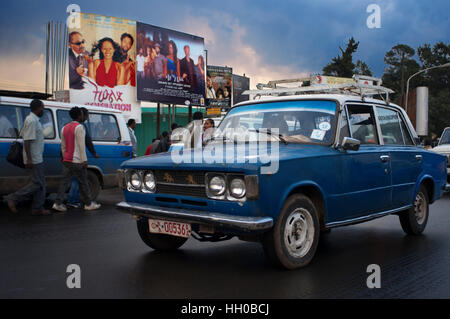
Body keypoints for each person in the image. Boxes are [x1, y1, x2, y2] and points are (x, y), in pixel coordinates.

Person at [5, 100, 51, 216]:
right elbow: (27, 141)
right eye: (42, 108)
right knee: (37, 183)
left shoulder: (34, 120)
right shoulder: (31, 121)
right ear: (38, 108)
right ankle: (13, 198)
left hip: (36, 157)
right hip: (34, 158)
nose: (43, 110)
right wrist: (29, 159)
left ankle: (37, 208)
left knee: (41, 183)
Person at [52, 107, 101, 212]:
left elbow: (63, 146)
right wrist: (84, 160)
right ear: (79, 116)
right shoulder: (79, 128)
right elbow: (81, 145)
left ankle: (57, 203)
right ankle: (88, 204)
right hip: (77, 160)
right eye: (82, 114)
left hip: (67, 160)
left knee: (64, 183)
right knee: (84, 183)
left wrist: (64, 157)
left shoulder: (64, 127)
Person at [66, 108, 99, 208]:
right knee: (81, 180)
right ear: (81, 115)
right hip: (78, 159)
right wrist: (92, 154)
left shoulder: (67, 126)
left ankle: (70, 200)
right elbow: (86, 142)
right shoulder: (81, 127)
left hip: (68, 158)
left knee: (74, 179)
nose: (87, 117)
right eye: (87, 115)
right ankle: (85, 202)